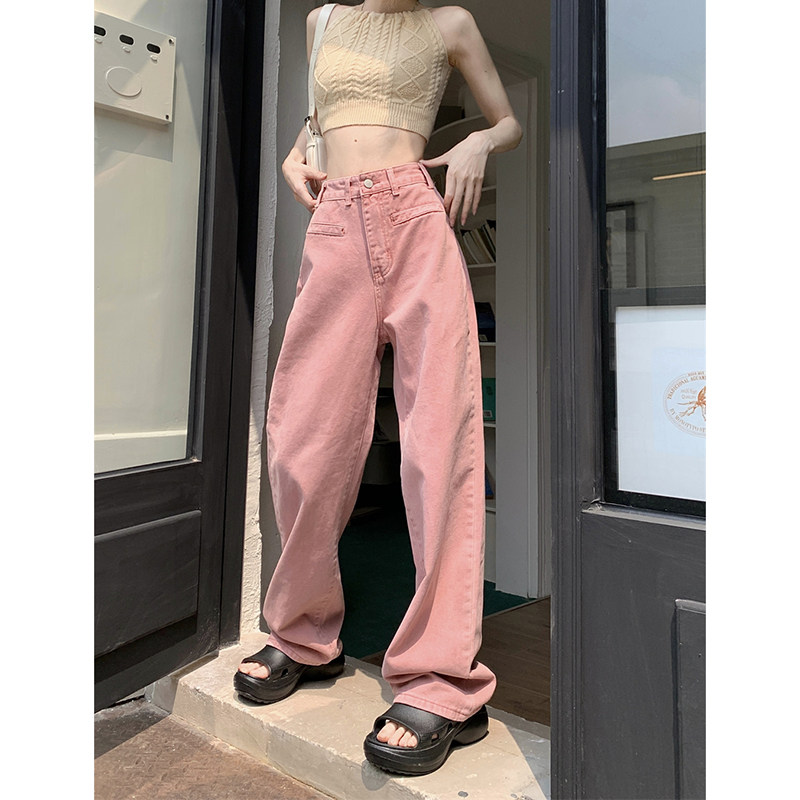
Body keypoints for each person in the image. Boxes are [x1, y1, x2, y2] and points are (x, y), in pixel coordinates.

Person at [234, 0, 523, 776]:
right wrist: (296, 153)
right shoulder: (322, 21)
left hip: (416, 213)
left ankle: (444, 680)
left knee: (437, 446)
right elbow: (318, 116)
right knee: (303, 441)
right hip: (335, 223)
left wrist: (478, 142)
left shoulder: (448, 23)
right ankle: (304, 635)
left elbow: (508, 122)